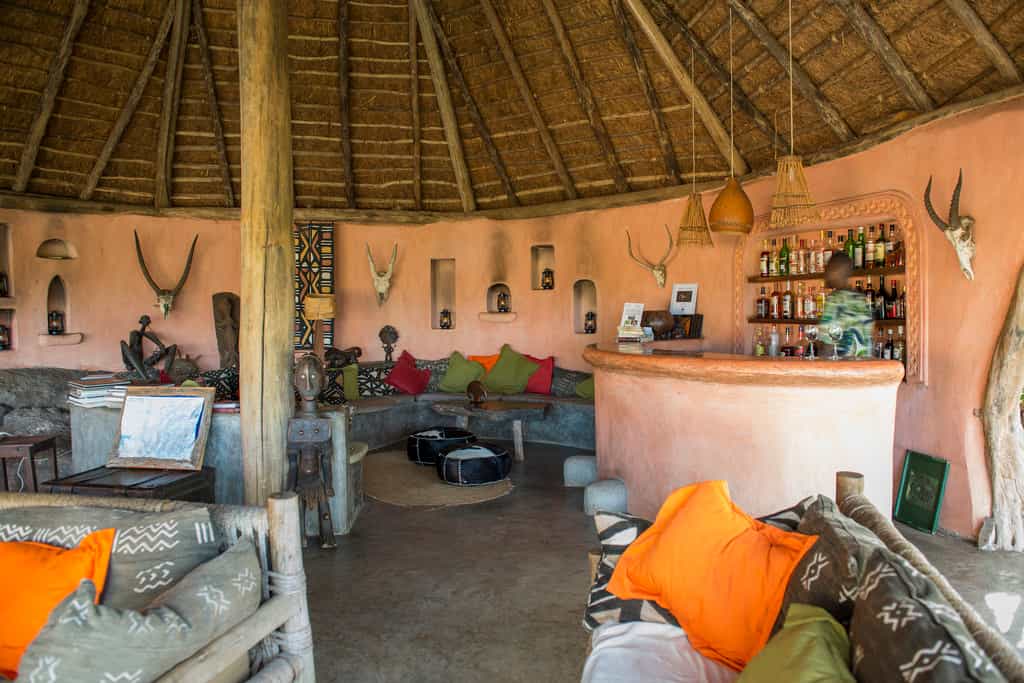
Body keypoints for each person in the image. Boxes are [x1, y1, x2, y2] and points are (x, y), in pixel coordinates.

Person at [818, 253, 873, 358]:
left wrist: (816, 365)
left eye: (829, 269)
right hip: (866, 365)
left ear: (837, 271)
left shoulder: (835, 300)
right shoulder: (861, 299)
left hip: (842, 366)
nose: (826, 274)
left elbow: (827, 345)